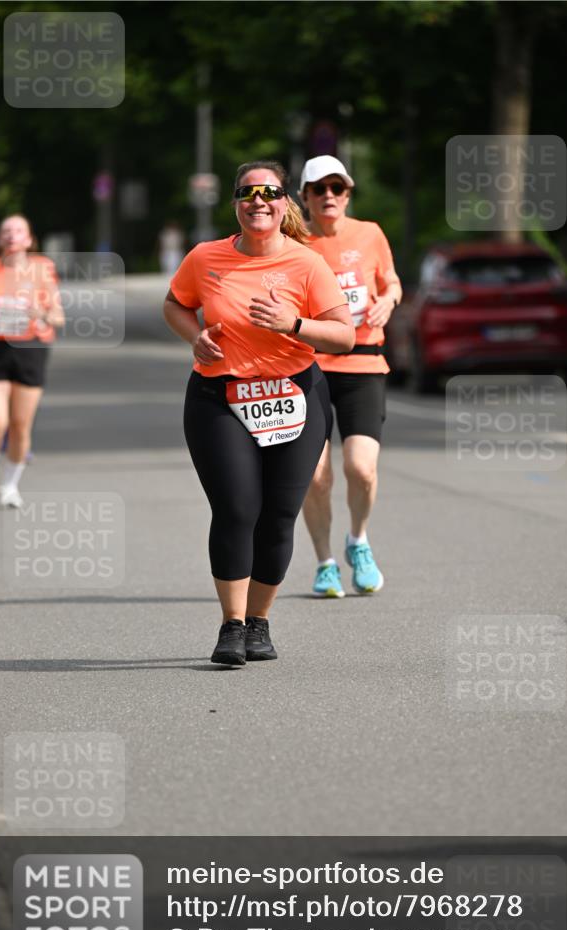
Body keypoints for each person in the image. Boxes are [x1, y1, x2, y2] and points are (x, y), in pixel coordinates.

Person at [163, 161, 354, 666]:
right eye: (248, 193)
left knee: (278, 516)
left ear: (284, 202)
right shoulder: (206, 257)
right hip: (219, 397)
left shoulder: (307, 263)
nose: (258, 201)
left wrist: (294, 323)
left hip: (295, 396)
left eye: (269, 192)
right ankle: (231, 625)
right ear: (235, 204)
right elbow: (175, 304)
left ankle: (258, 622)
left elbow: (344, 335)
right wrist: (194, 337)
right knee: (236, 508)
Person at [299, 155, 402, 597]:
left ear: (347, 194)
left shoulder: (370, 234)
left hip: (363, 364)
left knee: (361, 468)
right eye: (319, 189)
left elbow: (392, 282)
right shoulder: (294, 243)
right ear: (304, 197)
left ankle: (357, 541)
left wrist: (388, 301)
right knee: (314, 475)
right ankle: (325, 562)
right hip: (310, 367)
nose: (329, 196)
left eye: (337, 188)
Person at [0, 215, 63, 509]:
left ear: (29, 239)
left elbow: (58, 317)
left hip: (30, 349)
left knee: (20, 426)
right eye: (6, 231)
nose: (12, 235)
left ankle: (10, 485)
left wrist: (40, 313)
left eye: (18, 231)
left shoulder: (43, 269)